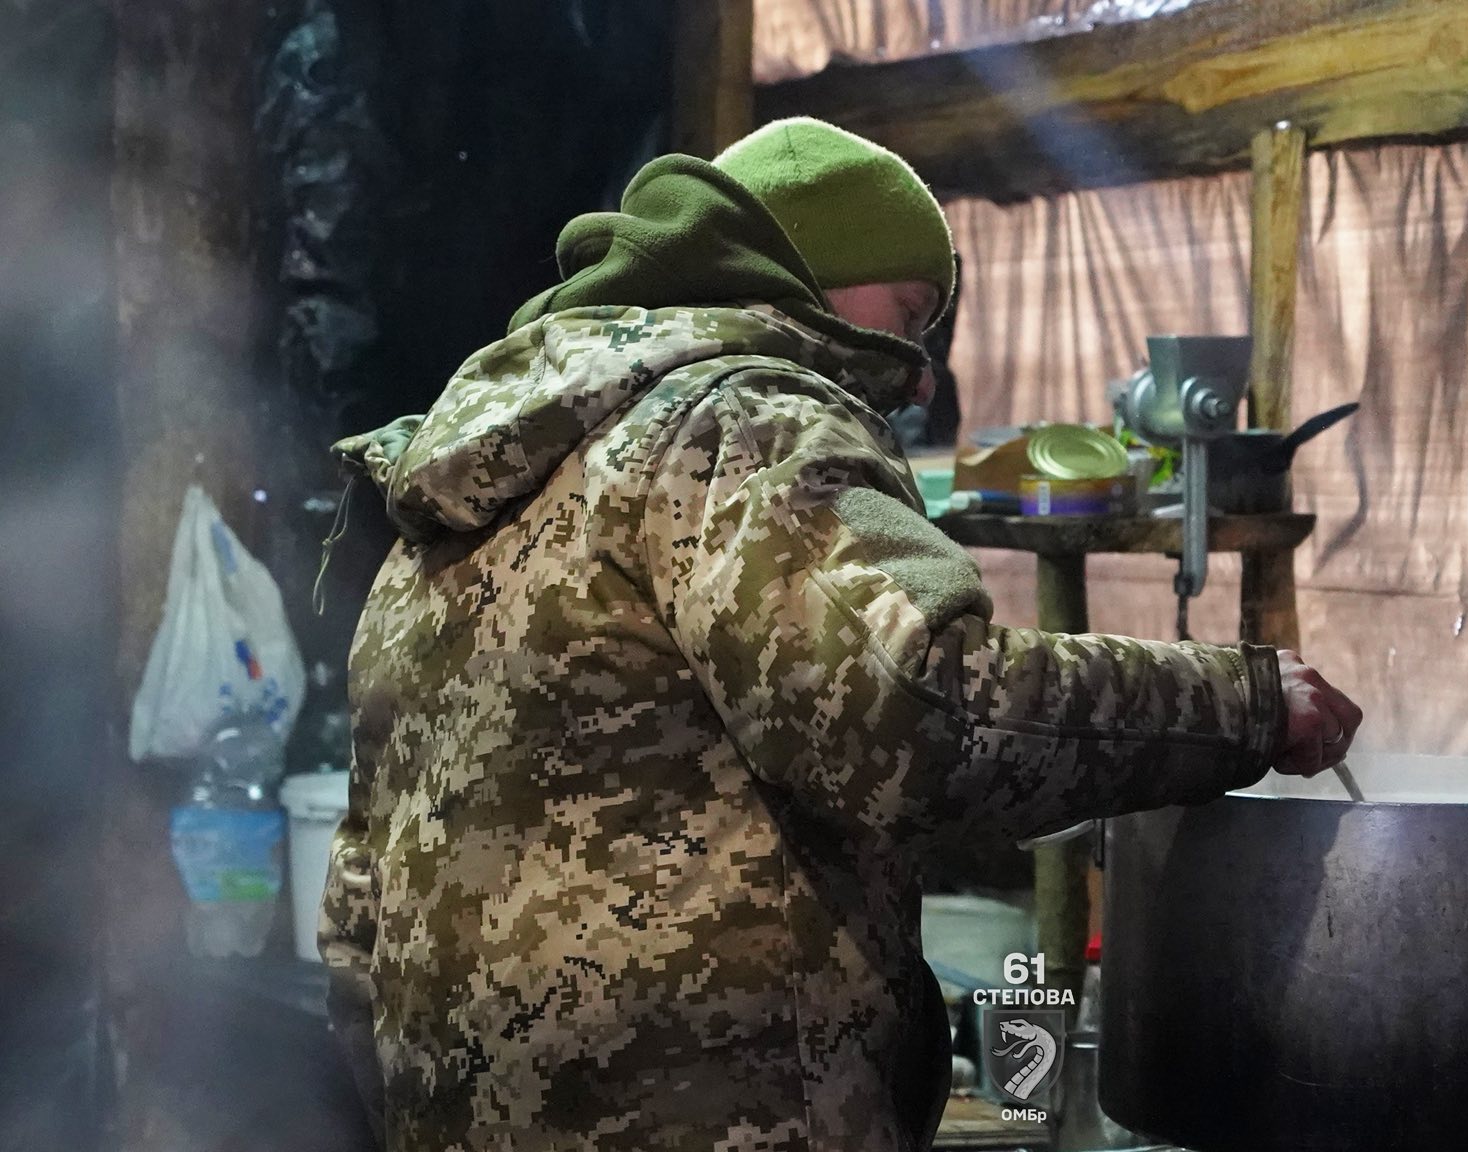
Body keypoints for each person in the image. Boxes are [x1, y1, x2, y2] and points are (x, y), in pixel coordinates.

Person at [320, 117, 1363, 1152]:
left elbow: (361, 891)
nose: (921, 374)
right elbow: (919, 709)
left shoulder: (478, 476)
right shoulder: (744, 419)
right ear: (815, 270)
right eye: (911, 313)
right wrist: (1242, 703)